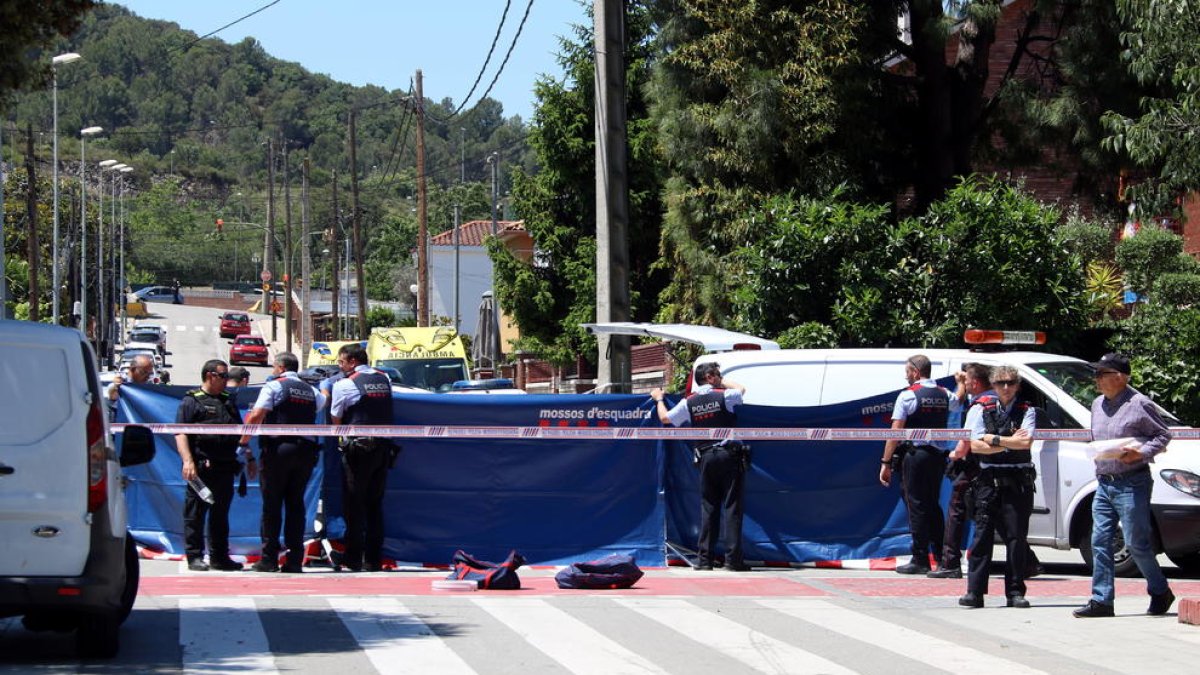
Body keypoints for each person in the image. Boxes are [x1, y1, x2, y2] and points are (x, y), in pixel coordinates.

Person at [1074, 353, 1175, 618]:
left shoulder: (1139, 403)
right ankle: (1102, 600)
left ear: (1119, 377)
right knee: (1099, 540)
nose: (1096, 380)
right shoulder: (1097, 404)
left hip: (1132, 482)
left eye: (1102, 374)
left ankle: (1160, 590)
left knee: (1136, 543)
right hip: (1104, 483)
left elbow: (1163, 435)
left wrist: (1140, 453)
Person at [651, 363, 750, 571]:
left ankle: (705, 560)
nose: (721, 377)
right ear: (710, 376)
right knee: (732, 508)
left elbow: (665, 418)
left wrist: (659, 399)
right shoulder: (724, 396)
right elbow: (741, 389)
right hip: (728, 455)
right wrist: (720, 382)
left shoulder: (690, 402)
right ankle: (733, 561)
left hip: (705, 457)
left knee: (709, 508)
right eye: (718, 374)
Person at [958, 364, 1037, 609]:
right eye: (1000, 383)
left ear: (1018, 385)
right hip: (987, 482)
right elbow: (975, 445)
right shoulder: (980, 408)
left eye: (1010, 382)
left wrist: (992, 439)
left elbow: (1025, 444)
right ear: (992, 385)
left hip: (1017, 483)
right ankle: (975, 592)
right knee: (981, 538)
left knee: (1016, 539)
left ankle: (1015, 592)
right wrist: (1008, 441)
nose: (1006, 387)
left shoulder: (1028, 410)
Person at [241, 352, 325, 573]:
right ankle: (294, 560)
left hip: (279, 450)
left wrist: (243, 442)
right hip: (305, 451)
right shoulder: (311, 391)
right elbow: (321, 404)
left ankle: (268, 559)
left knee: (272, 505)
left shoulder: (275, 386)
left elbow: (257, 414)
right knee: (296, 505)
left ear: (279, 367)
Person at [879, 355, 960, 575]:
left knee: (916, 505)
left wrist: (885, 462)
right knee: (933, 505)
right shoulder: (945, 394)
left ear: (915, 371)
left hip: (915, 456)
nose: (905, 375)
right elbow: (958, 401)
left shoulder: (908, 396)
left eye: (907, 370)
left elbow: (895, 432)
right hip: (936, 456)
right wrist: (961, 385)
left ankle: (920, 558)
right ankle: (944, 559)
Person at [175, 359, 248, 572]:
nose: (226, 380)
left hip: (225, 466)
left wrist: (249, 457)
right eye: (223, 376)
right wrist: (188, 461)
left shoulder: (227, 400)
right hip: (201, 467)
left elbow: (239, 432)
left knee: (221, 515)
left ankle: (219, 557)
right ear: (210, 376)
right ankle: (195, 556)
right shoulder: (192, 401)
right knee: (195, 515)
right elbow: (180, 433)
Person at [329, 343, 396, 572]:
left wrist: (341, 439)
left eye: (341, 362)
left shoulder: (345, 384)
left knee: (354, 505)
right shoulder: (384, 379)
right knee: (375, 506)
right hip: (383, 449)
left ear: (352, 362)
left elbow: (336, 417)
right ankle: (374, 560)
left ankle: (353, 559)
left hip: (358, 450)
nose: (339, 366)